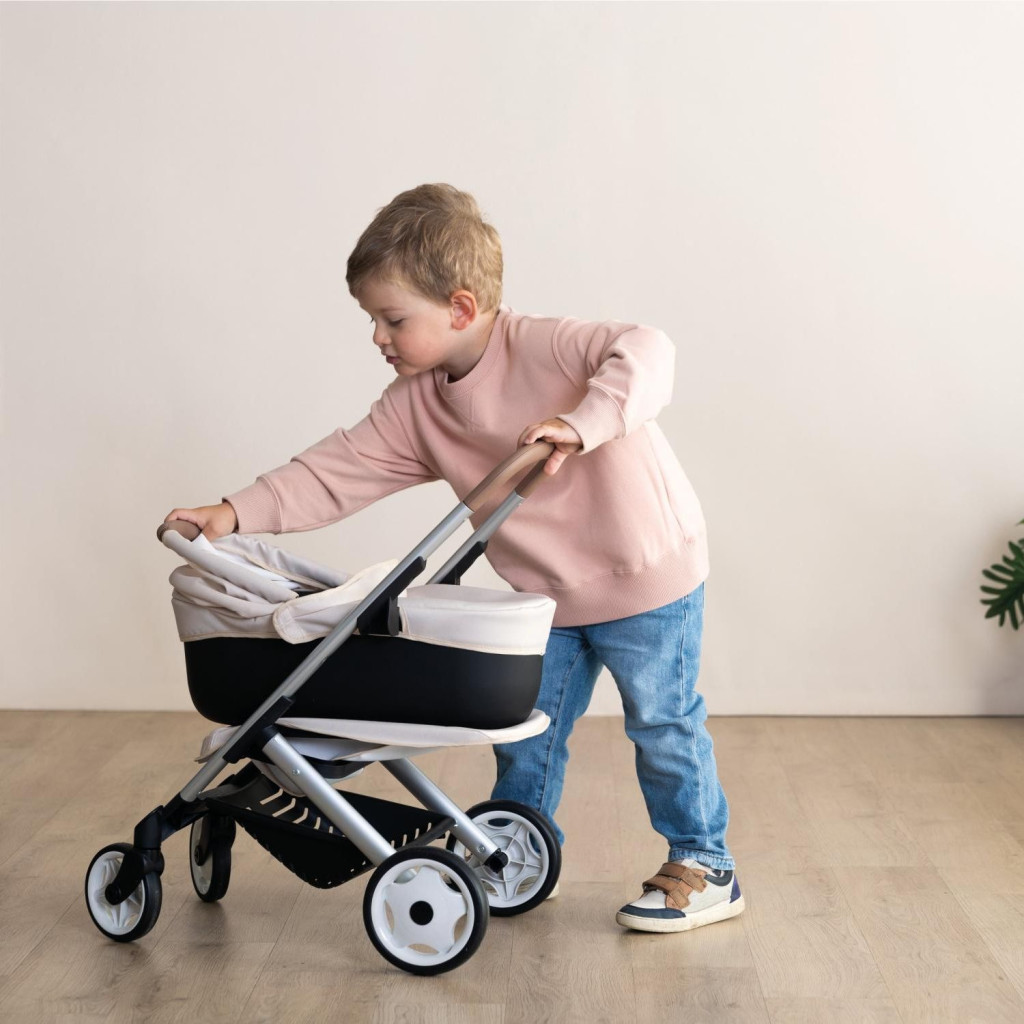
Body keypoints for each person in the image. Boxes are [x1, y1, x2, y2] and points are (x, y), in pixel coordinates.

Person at [165, 183, 742, 933]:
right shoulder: (414, 404)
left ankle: (705, 861)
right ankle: (515, 852)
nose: (378, 337)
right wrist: (235, 512)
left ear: (461, 308)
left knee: (663, 725)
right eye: (373, 320)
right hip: (544, 595)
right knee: (523, 733)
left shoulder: (547, 346)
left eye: (393, 319)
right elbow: (336, 470)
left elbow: (648, 348)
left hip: (647, 577)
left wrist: (583, 422)